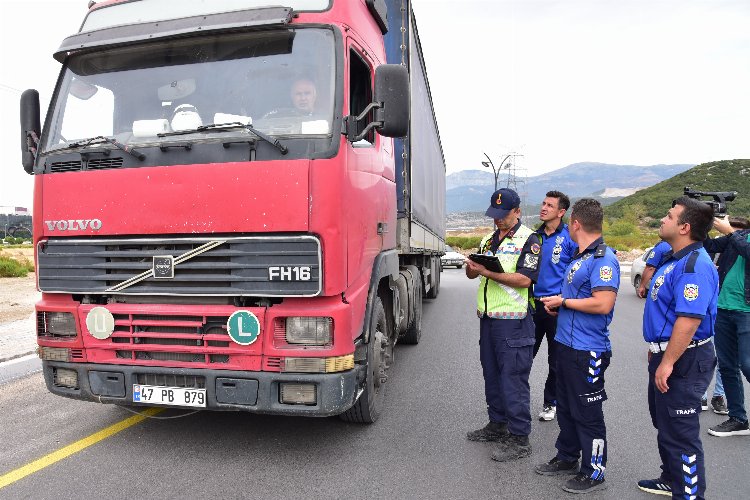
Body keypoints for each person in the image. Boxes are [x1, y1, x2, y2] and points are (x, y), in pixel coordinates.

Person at [535, 199, 619, 494]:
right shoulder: (580, 258)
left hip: (588, 350)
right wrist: (562, 309)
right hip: (566, 345)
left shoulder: (603, 259)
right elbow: (581, 300)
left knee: (588, 413)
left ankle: (594, 472)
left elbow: (603, 302)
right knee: (566, 407)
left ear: (575, 224)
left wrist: (564, 302)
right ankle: (567, 456)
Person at [637, 197, 718, 499]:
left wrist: (668, 360)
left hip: (685, 358)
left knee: (681, 434)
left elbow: (689, 319)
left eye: (669, 216)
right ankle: (672, 479)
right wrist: (657, 349)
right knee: (666, 424)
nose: (662, 219)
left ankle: (690, 494)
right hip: (668, 352)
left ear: (684, 227)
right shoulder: (676, 258)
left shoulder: (694, 265)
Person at [465, 188, 541, 462]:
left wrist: (488, 271)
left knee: (514, 380)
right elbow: (473, 274)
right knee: (492, 375)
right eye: (494, 215)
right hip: (489, 319)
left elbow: (524, 279)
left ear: (517, 212)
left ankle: (520, 438)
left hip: (514, 322)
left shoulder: (529, 239)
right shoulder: (488, 240)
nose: (497, 220)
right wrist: (473, 268)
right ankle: (497, 424)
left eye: (503, 215)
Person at [703, 215, 750, 437]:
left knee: (747, 364)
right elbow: (709, 245)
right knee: (728, 366)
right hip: (724, 308)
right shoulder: (738, 237)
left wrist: (730, 232)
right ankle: (738, 419)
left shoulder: (737, 238)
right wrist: (701, 222)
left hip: (747, 311)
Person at [532, 191, 576, 422]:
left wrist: (563, 299)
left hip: (557, 308)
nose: (544, 208)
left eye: (550, 205)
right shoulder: (534, 237)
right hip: (532, 305)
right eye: (543, 203)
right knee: (522, 356)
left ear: (561, 212)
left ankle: (551, 403)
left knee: (556, 360)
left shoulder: (570, 237)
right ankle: (515, 401)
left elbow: (578, 272)